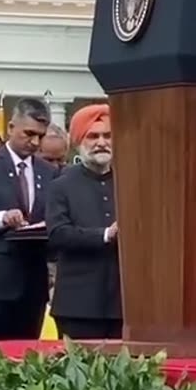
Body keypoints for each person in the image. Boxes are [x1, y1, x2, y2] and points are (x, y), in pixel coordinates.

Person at [0, 98, 56, 340]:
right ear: (11, 128)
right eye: (29, 133)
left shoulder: (48, 172)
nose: (35, 142)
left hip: (34, 282)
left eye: (41, 135)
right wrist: (2, 218)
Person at [47, 104, 122, 339]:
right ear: (79, 141)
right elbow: (58, 234)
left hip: (125, 305)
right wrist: (105, 235)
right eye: (93, 136)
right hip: (78, 305)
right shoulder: (61, 185)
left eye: (108, 136)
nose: (101, 142)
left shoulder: (131, 180)